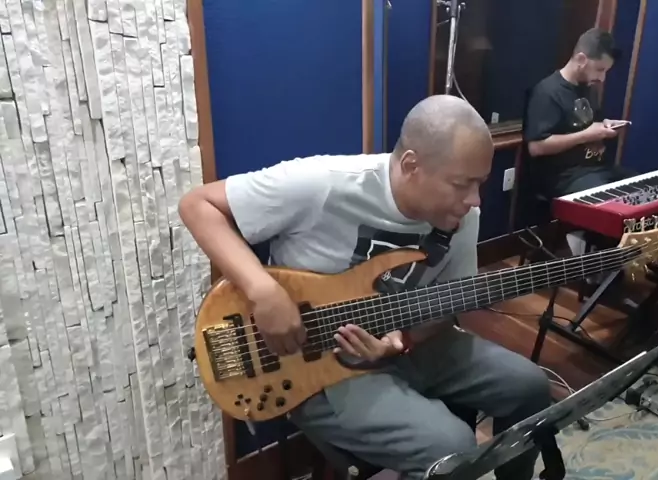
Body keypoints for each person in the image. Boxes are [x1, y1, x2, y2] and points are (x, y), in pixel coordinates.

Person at [178, 94, 552, 479]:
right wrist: (263, 291)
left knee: (529, 387)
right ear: (411, 165)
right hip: (315, 361)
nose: (474, 200)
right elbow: (198, 206)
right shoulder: (324, 184)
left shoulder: (462, 217)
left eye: (481, 183)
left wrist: (402, 340)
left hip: (408, 344)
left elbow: (446, 306)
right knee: (451, 448)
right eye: (461, 184)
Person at [522, 27, 634, 256]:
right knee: (614, 209)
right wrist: (587, 135)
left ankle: (606, 255)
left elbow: (588, 125)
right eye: (600, 69)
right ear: (581, 59)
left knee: (639, 190)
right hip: (564, 178)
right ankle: (595, 259)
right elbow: (536, 147)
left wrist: (604, 126)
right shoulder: (547, 92)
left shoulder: (587, 89)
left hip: (597, 170)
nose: (602, 78)